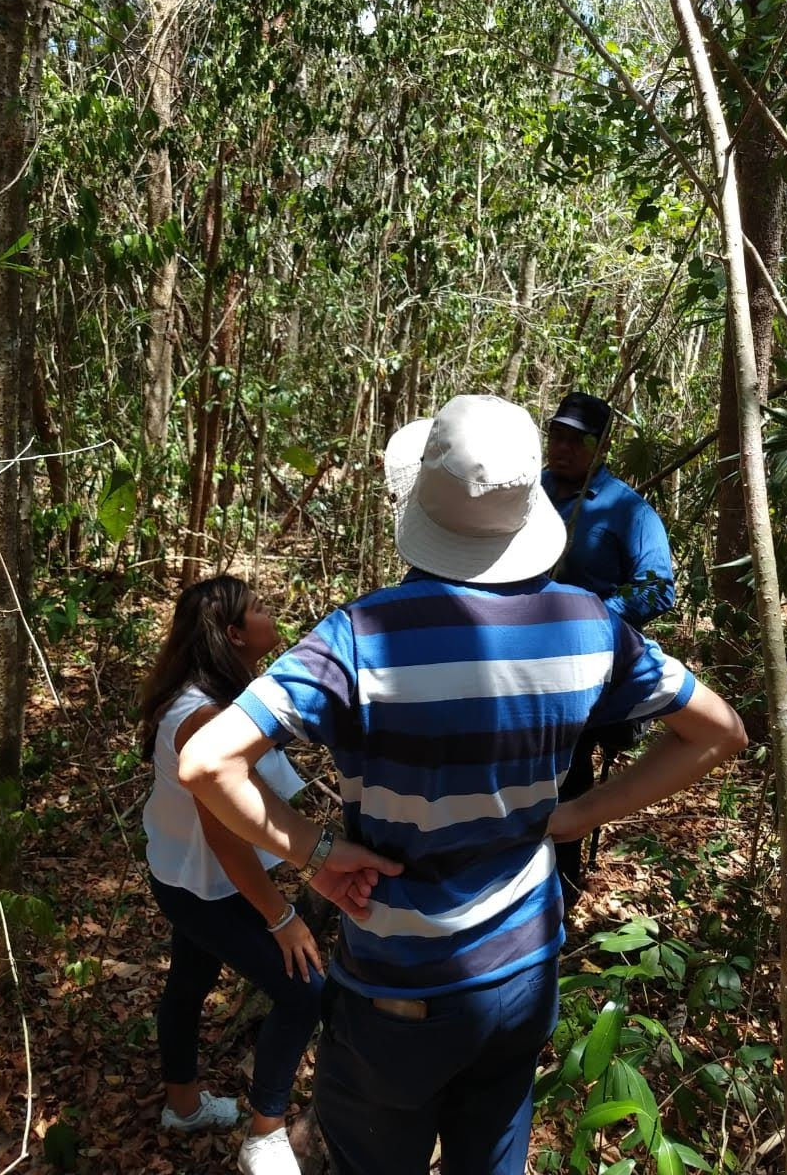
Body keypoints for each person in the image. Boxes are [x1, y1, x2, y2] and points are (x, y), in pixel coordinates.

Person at [178, 395, 746, 1175]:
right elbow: (721, 731)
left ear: (422, 506)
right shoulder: (587, 624)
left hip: (400, 991)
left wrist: (315, 852)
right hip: (523, 973)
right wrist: (578, 813)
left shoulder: (358, 637)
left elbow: (207, 763)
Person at [140, 574, 324, 1175]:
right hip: (204, 885)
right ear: (234, 634)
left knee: (190, 982)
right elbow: (224, 836)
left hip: (181, 873)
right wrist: (282, 915)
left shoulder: (217, 694)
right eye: (260, 608)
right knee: (303, 991)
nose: (273, 613)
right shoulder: (203, 715)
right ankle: (265, 1136)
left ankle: (183, 1106)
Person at [542, 390, 676, 907]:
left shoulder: (626, 509)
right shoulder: (530, 496)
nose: (564, 447)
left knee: (570, 784)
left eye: (578, 440)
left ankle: (563, 896)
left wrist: (595, 616)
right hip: (524, 666)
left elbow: (658, 586)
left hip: (590, 676)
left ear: (601, 447)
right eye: (557, 435)